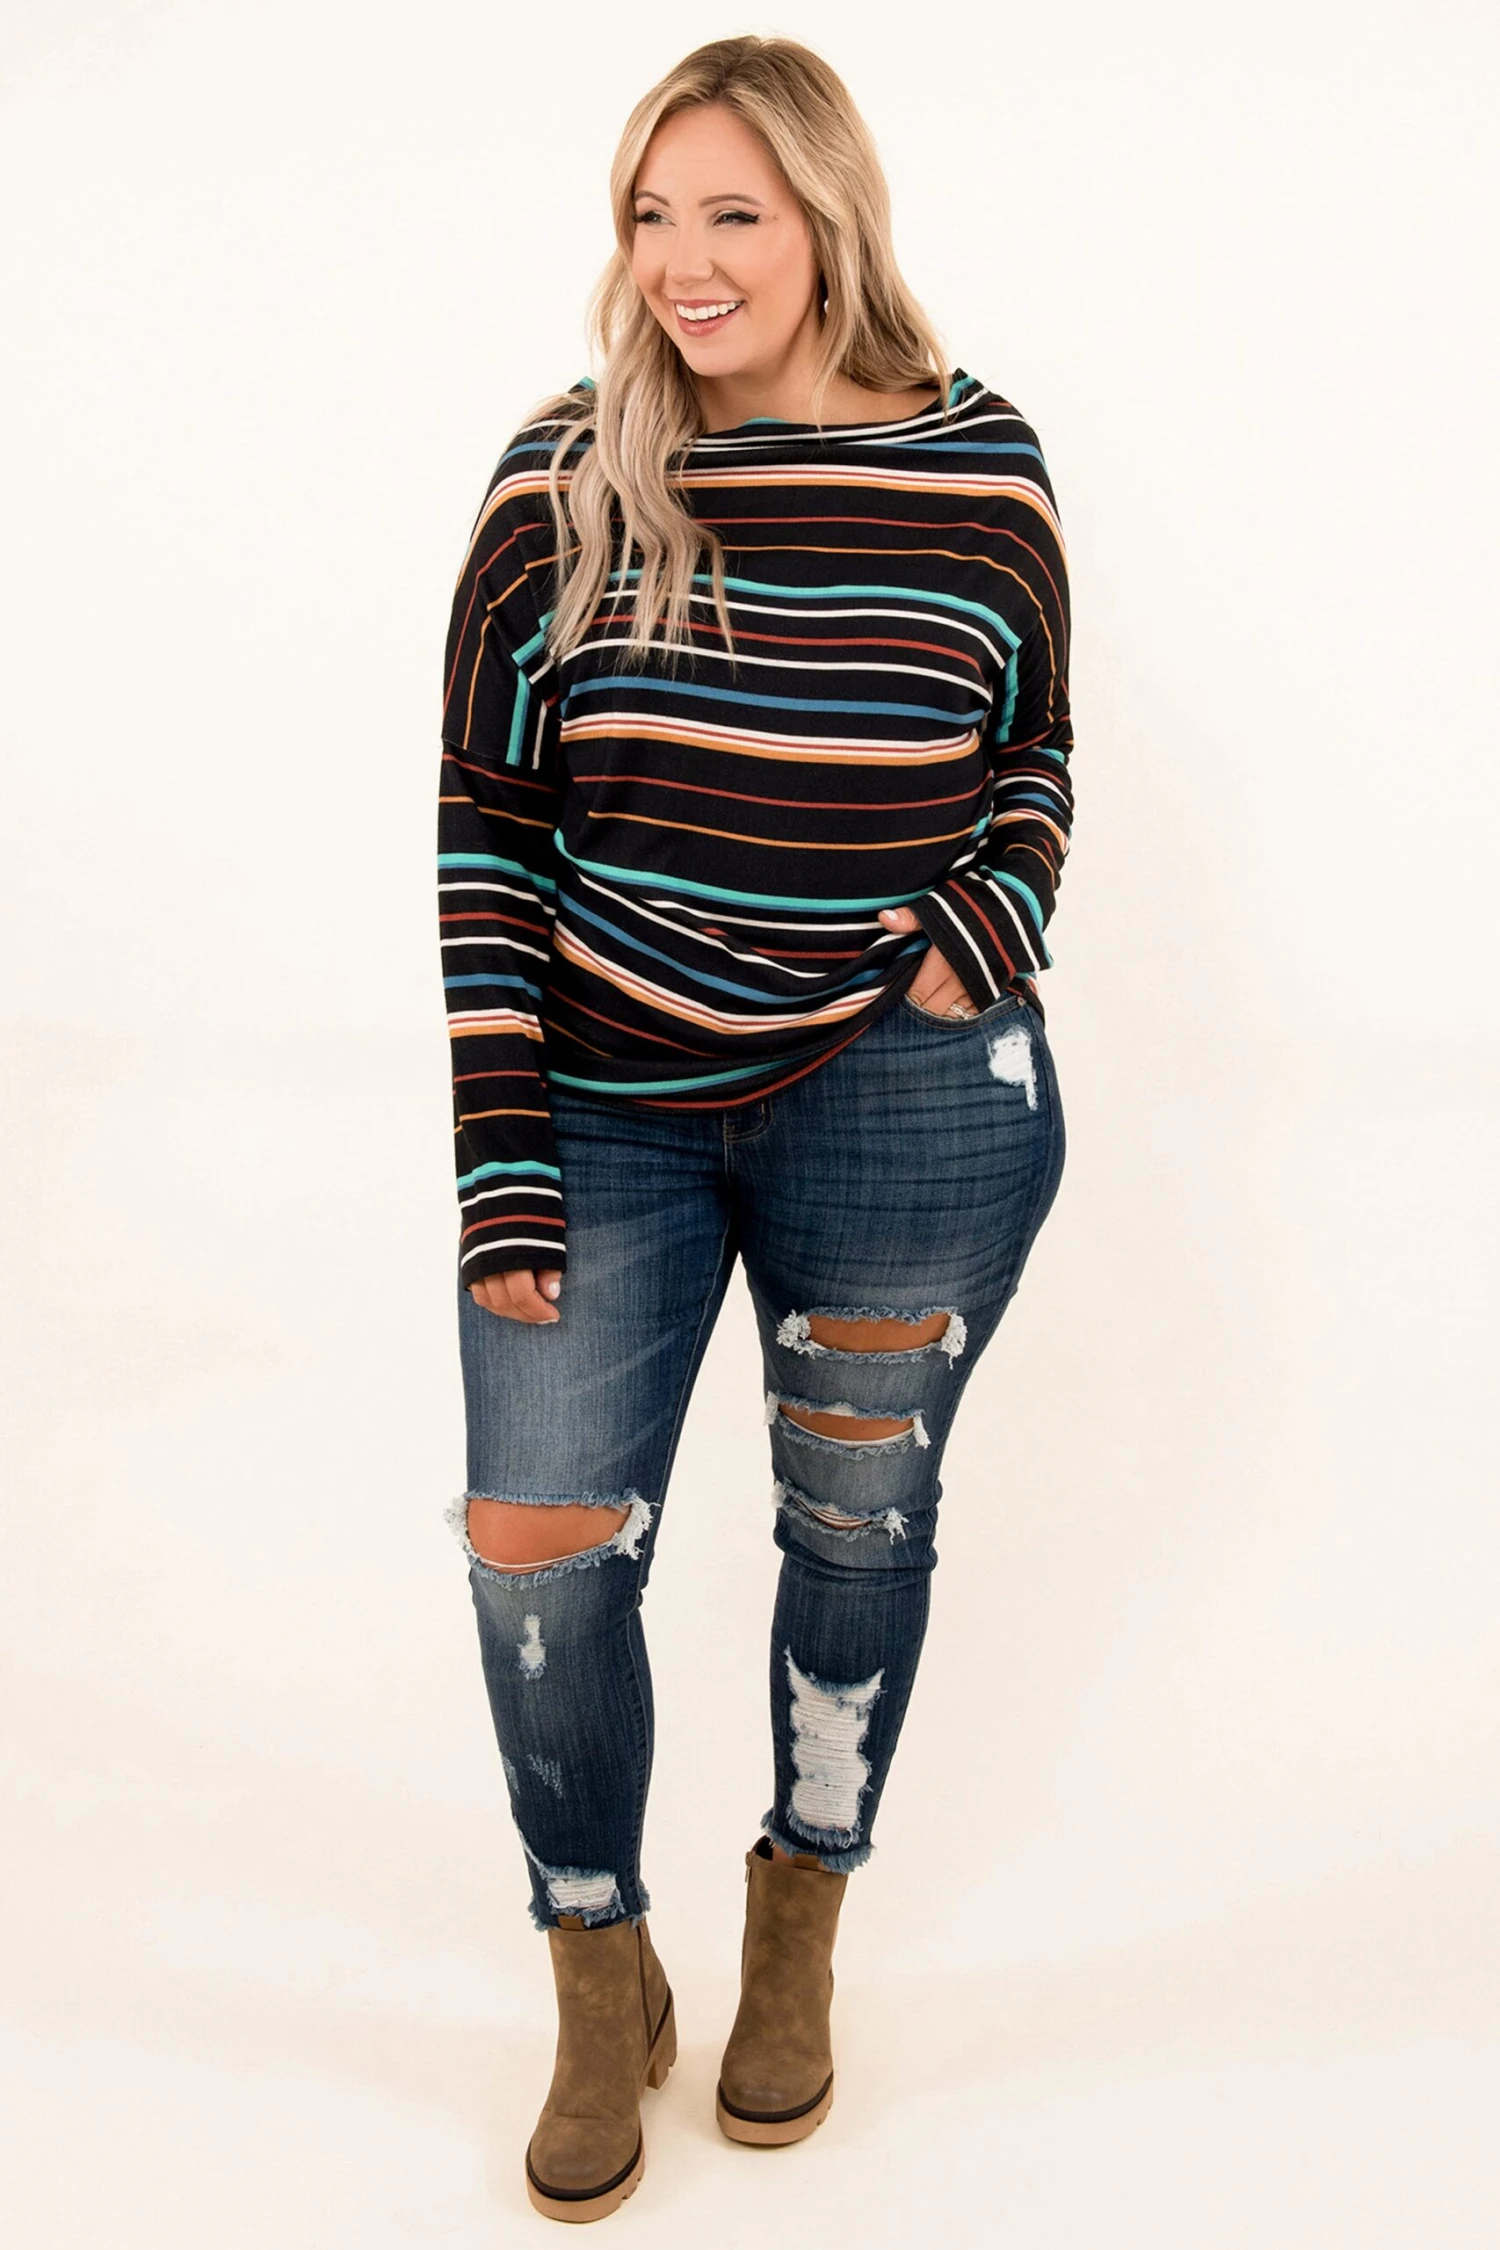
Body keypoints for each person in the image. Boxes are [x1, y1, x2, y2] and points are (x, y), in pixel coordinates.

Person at [438, 33, 1072, 2224]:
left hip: (905, 1104)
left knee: (856, 1529)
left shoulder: (981, 464)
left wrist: (980, 928)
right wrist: (503, 1150)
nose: (685, 260)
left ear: (828, 222)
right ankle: (595, 1964)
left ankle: (798, 1916)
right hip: (600, 1104)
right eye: (651, 212)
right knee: (537, 1544)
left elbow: (1033, 748)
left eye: (733, 212)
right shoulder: (562, 474)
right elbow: (485, 824)